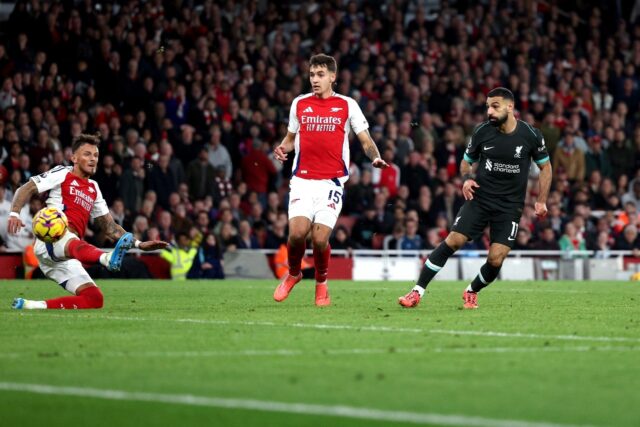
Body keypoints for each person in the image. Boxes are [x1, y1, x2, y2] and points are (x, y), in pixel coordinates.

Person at [399, 87, 552, 309]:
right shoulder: (482, 132)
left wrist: (541, 200)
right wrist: (467, 178)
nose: (489, 111)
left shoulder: (531, 135)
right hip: (481, 199)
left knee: (496, 258)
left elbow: (545, 167)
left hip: (510, 207)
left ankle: (472, 291)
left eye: (495, 106)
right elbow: (465, 162)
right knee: (454, 240)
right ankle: (417, 291)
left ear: (510, 107)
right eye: (488, 106)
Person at [272, 53, 388, 306]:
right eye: (312, 74)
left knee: (320, 238)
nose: (315, 79)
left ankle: (322, 282)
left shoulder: (347, 105)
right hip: (302, 179)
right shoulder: (299, 104)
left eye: (321, 74)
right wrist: (282, 148)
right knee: (297, 234)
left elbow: (365, 140)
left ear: (333, 77)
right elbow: (291, 139)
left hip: (331, 182)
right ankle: (294, 273)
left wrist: (375, 158)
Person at [8, 133, 168, 310]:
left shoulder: (94, 188)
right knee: (69, 237)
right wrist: (14, 213)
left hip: (66, 256)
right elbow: (28, 187)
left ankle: (31, 306)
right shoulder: (62, 173)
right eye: (87, 154)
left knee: (94, 299)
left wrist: (139, 243)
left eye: (96, 155)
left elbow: (109, 226)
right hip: (51, 239)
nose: (93, 159)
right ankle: (106, 258)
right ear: (74, 158)